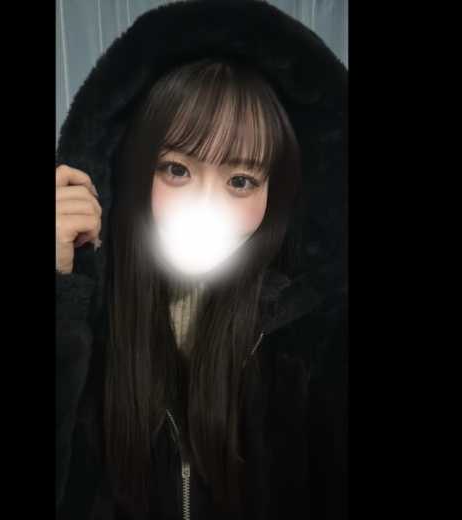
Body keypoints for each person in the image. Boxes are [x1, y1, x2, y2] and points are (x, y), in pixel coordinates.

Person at [56, 1, 348, 519]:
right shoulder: (89, 317)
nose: (205, 205)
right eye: (176, 170)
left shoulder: (315, 336)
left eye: (241, 180)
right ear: (134, 170)